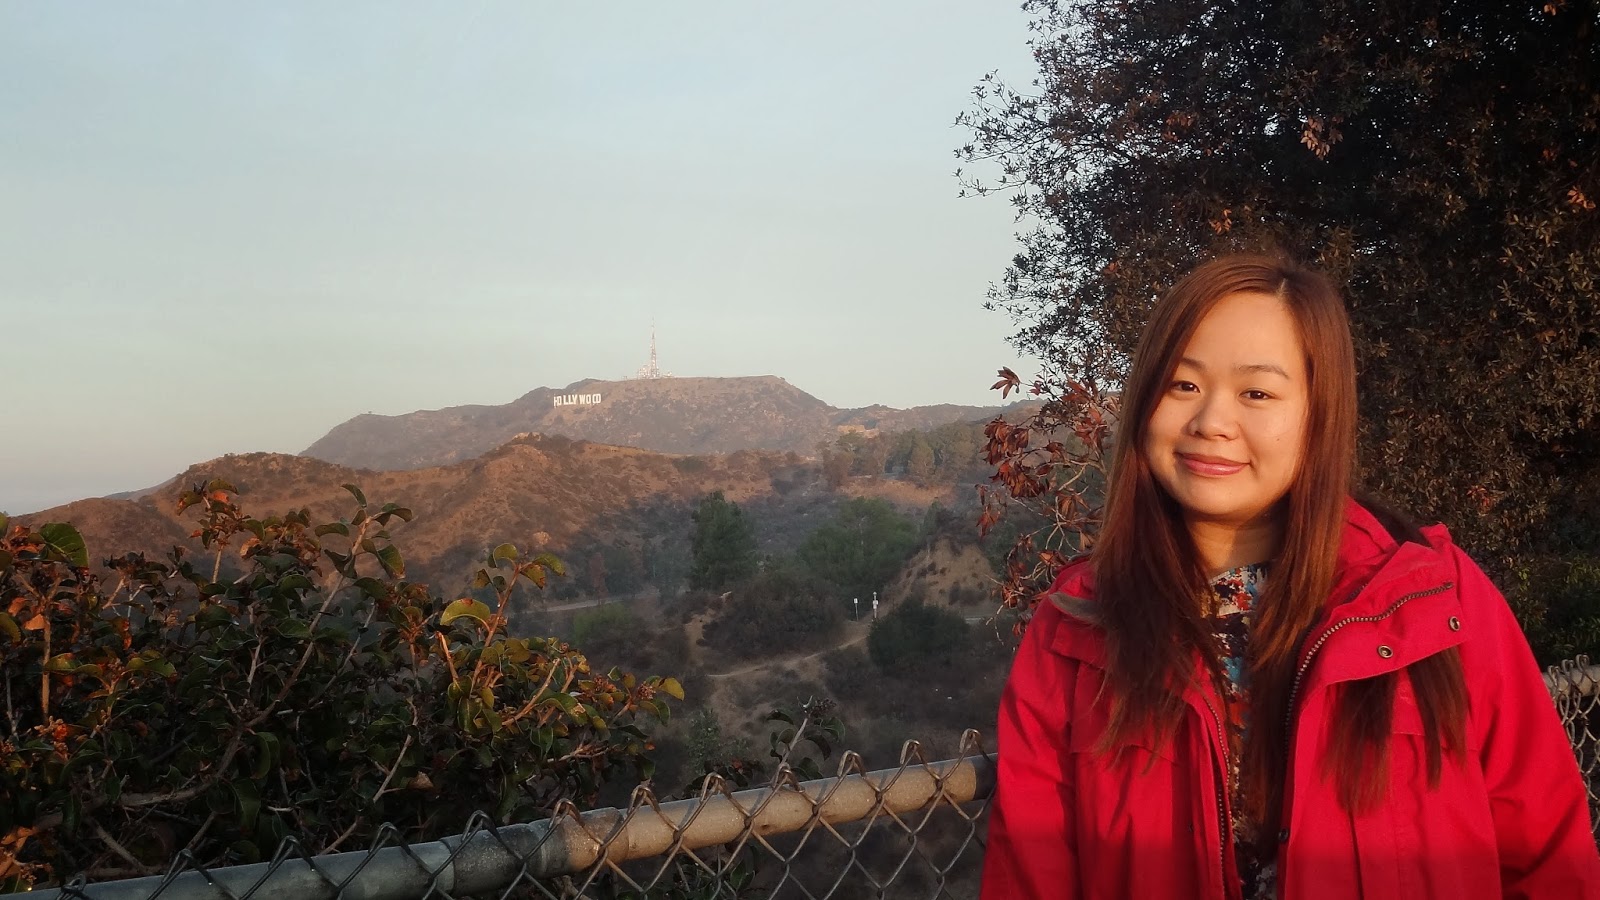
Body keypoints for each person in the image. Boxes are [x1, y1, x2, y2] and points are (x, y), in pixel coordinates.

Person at [980, 254, 1600, 899]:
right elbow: (1029, 879)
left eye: (1257, 393)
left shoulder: (1434, 602)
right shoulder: (1077, 630)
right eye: (1182, 385)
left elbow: (1548, 860)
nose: (1210, 422)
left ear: (1318, 414)